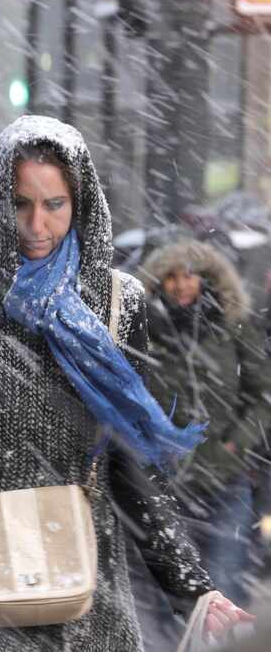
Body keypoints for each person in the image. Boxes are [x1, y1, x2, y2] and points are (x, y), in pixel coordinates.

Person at [0, 115, 253, 650]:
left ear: (80, 204)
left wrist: (193, 588)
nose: (37, 225)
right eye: (20, 204)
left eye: (54, 205)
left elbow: (129, 462)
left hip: (84, 584)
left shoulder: (115, 300)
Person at [139, 240, 271, 606]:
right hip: (165, 484)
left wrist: (236, 443)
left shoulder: (232, 325)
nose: (181, 285)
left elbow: (263, 396)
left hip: (226, 480)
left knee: (226, 588)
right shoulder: (144, 331)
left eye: (190, 275)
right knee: (176, 601)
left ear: (207, 279)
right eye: (171, 276)